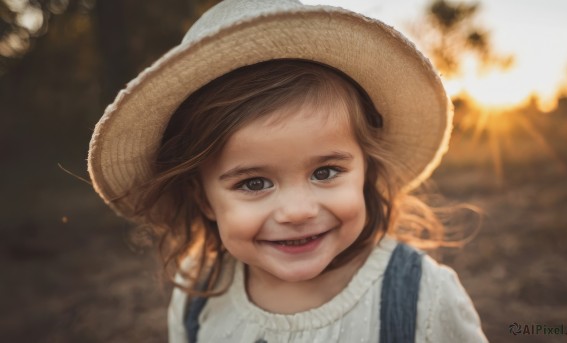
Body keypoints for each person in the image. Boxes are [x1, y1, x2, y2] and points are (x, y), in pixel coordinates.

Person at [88, 0, 488, 342]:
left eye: (326, 172)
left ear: (366, 168)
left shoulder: (422, 298)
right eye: (255, 183)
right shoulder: (200, 294)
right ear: (203, 199)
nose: (298, 211)